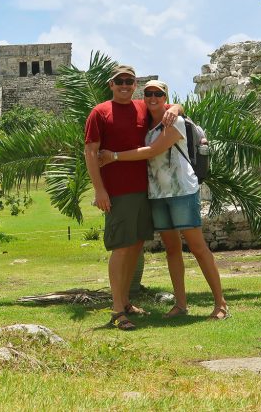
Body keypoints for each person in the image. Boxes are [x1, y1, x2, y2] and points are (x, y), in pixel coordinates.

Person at [98, 80, 229, 320]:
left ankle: (220, 304)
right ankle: (180, 304)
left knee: (198, 247)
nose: (152, 97)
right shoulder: (145, 122)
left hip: (181, 192)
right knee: (171, 249)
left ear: (165, 96)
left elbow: (152, 151)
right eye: (148, 93)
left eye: (158, 93)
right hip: (157, 194)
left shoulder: (174, 121)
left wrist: (113, 156)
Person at [84, 66, 183, 331]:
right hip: (118, 191)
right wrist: (99, 190)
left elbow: (169, 106)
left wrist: (176, 108)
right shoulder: (100, 112)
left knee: (136, 245)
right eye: (120, 81)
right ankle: (117, 310)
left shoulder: (141, 107)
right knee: (122, 247)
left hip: (144, 190)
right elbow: (91, 152)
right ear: (111, 84)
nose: (125, 85)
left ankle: (125, 301)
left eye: (129, 81)